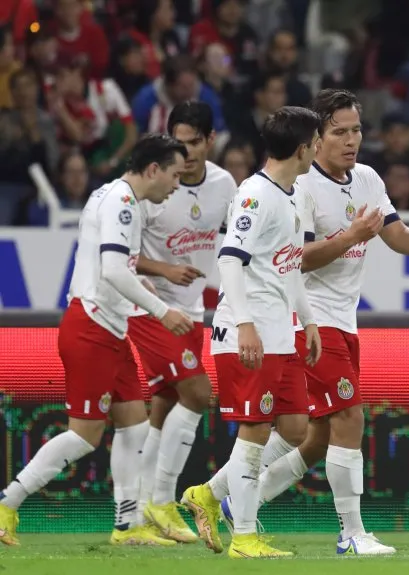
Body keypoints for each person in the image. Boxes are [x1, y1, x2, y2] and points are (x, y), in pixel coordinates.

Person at [212, 89, 409, 556]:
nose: (351, 140)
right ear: (315, 138)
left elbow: (395, 234)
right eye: (340, 132)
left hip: (343, 319)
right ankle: (351, 533)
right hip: (307, 315)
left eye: (356, 130)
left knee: (314, 435)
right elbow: (297, 259)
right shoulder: (297, 186)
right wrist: (349, 237)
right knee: (349, 416)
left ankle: (234, 500)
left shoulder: (367, 178)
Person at [0, 135, 193, 546]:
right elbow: (113, 271)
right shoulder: (122, 203)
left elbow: (112, 264)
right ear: (153, 170)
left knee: (134, 424)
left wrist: (141, 284)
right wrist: (162, 311)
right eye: (175, 175)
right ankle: (7, 502)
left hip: (109, 327)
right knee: (84, 436)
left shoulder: (108, 194)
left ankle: (128, 526)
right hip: (92, 328)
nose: (177, 185)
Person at [181, 106, 323, 558]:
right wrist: (244, 323)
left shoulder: (296, 195)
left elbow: (291, 266)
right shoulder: (254, 195)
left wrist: (308, 319)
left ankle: (207, 494)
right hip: (248, 331)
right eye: (316, 142)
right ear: (302, 149)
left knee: (296, 428)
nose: (318, 148)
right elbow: (229, 260)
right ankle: (244, 537)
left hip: (282, 330)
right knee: (255, 431)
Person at [129, 101, 237, 543]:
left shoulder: (225, 185)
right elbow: (122, 256)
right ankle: (163, 500)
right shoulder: (154, 186)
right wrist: (166, 272)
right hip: (149, 307)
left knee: (165, 405)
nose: (186, 152)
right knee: (197, 392)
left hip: (191, 313)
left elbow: (234, 243)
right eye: (179, 142)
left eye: (194, 142)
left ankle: (138, 514)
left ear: (210, 141)